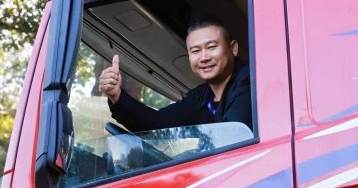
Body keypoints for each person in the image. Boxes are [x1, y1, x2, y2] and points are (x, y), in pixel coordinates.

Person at [97, 16, 252, 133]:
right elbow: (158, 123)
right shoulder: (201, 97)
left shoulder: (249, 82)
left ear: (233, 48)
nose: (204, 57)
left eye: (211, 47)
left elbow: (233, 139)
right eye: (196, 51)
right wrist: (116, 95)